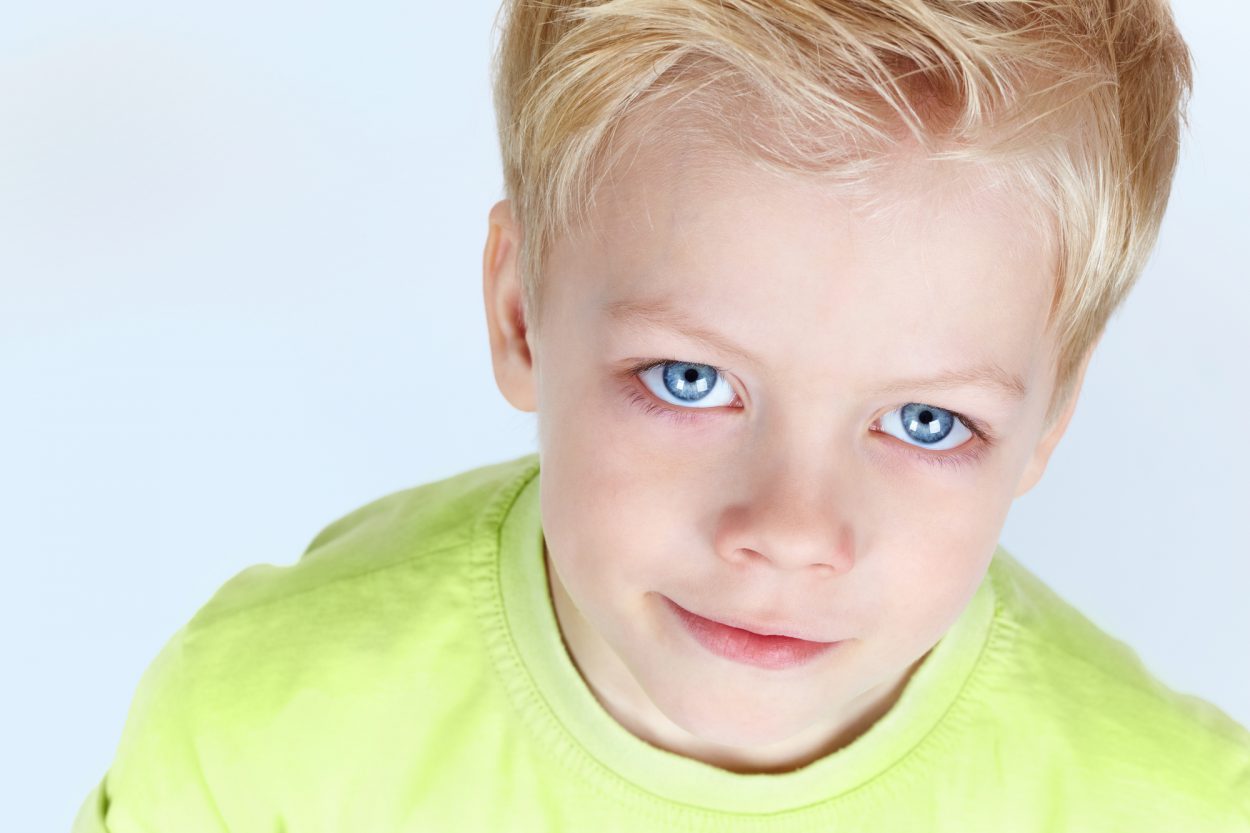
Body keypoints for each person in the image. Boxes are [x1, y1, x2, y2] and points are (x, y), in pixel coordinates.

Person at [74, 0, 1250, 830]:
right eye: (690, 379)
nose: (788, 530)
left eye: (925, 422)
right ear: (521, 313)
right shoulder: (264, 725)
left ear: (1049, 417)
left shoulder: (1174, 808)